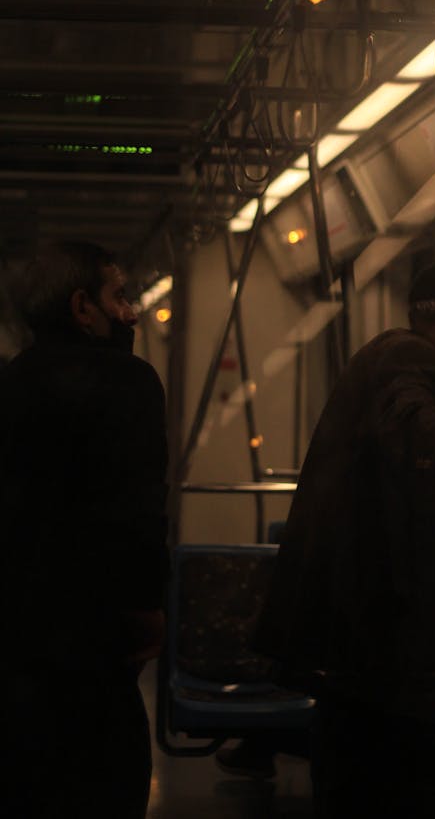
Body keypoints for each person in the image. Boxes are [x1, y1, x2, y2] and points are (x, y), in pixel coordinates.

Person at [253, 257, 435, 818]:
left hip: (375, 631)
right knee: (388, 778)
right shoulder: (409, 355)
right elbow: (408, 414)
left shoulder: (416, 365)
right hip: (381, 631)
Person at [0, 241, 169, 819]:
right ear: (82, 307)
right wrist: (149, 607)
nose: (133, 312)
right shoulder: (131, 382)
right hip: (98, 633)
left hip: (19, 636)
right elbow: (138, 511)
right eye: (120, 297)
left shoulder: (12, 382)